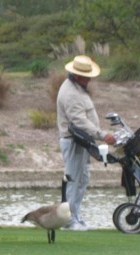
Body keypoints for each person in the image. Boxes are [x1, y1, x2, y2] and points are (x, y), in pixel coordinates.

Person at [57, 55, 116, 231]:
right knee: (74, 180)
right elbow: (79, 121)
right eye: (86, 75)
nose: (89, 79)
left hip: (81, 142)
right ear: (76, 75)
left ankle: (75, 216)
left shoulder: (77, 88)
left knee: (81, 179)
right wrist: (102, 134)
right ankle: (68, 220)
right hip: (74, 141)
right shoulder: (71, 93)